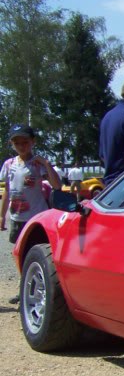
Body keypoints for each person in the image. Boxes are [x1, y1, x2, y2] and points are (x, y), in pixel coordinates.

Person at [0, 124, 62, 305]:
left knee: (37, 253)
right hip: (17, 217)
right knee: (19, 254)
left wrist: (46, 164)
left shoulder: (37, 165)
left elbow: (57, 185)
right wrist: (2, 215)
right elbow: (7, 192)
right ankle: (25, 287)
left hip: (35, 217)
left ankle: (39, 288)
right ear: (12, 144)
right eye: (17, 142)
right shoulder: (9, 165)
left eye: (25, 142)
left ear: (32, 142)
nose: (21, 146)